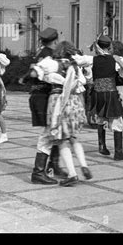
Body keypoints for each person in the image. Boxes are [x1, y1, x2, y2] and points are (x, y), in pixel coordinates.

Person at [31, 41, 92, 186]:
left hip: (58, 100)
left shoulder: (53, 63)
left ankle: (70, 174)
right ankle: (83, 165)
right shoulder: (75, 66)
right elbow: (82, 81)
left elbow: (36, 73)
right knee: (73, 137)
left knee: (60, 139)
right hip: (74, 102)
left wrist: (38, 72)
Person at [26, 28, 67, 185]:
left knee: (55, 131)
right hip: (45, 98)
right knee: (48, 133)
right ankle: (38, 172)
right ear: (55, 41)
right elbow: (34, 74)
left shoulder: (39, 54)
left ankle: (54, 166)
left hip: (38, 96)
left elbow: (29, 75)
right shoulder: (50, 56)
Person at [91, 35, 123, 161]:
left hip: (98, 93)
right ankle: (118, 152)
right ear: (110, 46)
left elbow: (87, 77)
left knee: (100, 118)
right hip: (111, 93)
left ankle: (102, 146)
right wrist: (118, 61)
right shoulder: (115, 60)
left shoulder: (93, 60)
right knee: (117, 120)